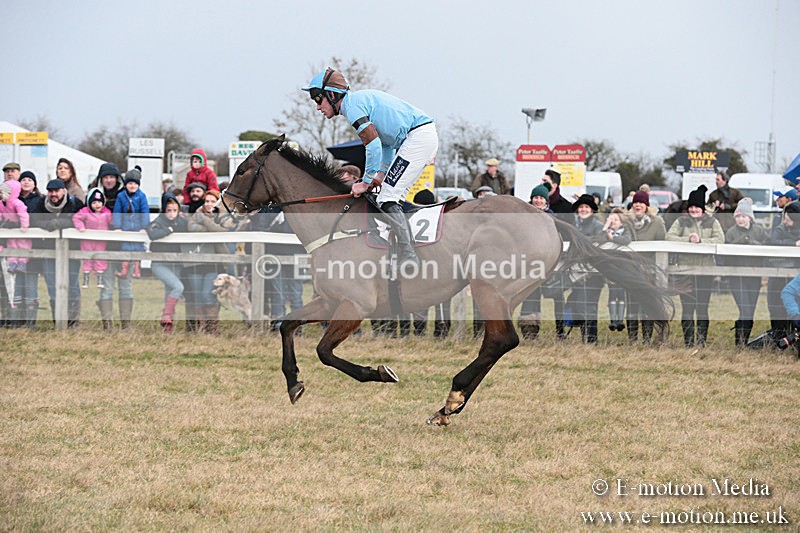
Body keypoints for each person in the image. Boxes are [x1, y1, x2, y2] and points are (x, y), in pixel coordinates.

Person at [303, 67, 437, 270]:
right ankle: (404, 249)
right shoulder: (356, 104)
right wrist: (380, 174)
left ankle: (409, 254)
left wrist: (365, 182)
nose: (317, 107)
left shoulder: (353, 107)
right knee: (390, 195)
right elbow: (386, 145)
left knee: (387, 197)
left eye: (317, 99)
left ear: (331, 95)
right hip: (417, 137)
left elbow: (372, 145)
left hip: (417, 138)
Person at [666, 185, 725, 347]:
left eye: (696, 207)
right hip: (684, 271)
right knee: (687, 308)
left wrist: (701, 241)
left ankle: (701, 342)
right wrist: (687, 240)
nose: (693, 210)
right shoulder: (681, 221)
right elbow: (669, 237)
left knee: (702, 307)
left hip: (705, 272)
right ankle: (688, 342)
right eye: (691, 207)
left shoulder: (712, 222)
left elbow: (720, 240)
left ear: (702, 208)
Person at [29, 178, 84, 327]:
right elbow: (31, 219)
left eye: (56, 191)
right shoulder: (41, 204)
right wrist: (45, 224)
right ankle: (59, 322)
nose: (53, 194)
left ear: (63, 191)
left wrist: (63, 223)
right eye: (50, 191)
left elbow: (83, 218)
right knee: (52, 287)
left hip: (72, 251)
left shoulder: (75, 203)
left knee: (72, 285)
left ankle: (73, 323)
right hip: (49, 251)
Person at [187, 189, 234, 333]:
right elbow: (191, 228)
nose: (208, 204)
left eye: (212, 201)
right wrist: (208, 227)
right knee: (197, 296)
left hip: (215, 263)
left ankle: (212, 328)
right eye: (206, 201)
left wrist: (204, 221)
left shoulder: (223, 216)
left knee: (208, 294)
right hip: (196, 261)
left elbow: (220, 231)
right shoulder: (197, 213)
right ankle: (202, 328)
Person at [724, 198, 766, 346]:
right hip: (737, 276)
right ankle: (739, 344)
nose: (740, 219)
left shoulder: (759, 230)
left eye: (743, 216)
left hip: (754, 277)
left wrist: (753, 243)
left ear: (750, 217)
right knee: (745, 310)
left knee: (750, 312)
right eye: (738, 216)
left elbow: (767, 247)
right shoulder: (731, 232)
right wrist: (739, 242)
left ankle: (744, 343)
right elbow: (726, 254)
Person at [564, 194, 606, 343]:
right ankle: (586, 338)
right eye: (581, 207)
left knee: (588, 306)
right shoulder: (574, 225)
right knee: (578, 304)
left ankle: (591, 339)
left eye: (586, 207)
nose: (583, 209)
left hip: (593, 274)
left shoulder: (598, 226)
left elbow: (599, 242)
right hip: (576, 272)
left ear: (592, 210)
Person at [626, 190, 666, 343]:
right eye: (636, 202)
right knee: (631, 304)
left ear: (647, 205)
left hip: (649, 271)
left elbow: (662, 243)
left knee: (646, 305)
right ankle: (632, 339)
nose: (638, 205)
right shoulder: (627, 221)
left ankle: (647, 339)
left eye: (641, 202)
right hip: (630, 270)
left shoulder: (657, 222)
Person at [147, 193, 189, 333]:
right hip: (159, 262)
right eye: (169, 210)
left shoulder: (183, 222)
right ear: (164, 210)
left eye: (174, 210)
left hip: (176, 262)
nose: (171, 214)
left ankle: (168, 325)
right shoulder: (158, 221)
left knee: (169, 291)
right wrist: (169, 230)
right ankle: (166, 315)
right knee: (178, 287)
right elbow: (152, 234)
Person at [518, 182, 555, 340]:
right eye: (536, 197)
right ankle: (527, 330)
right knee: (527, 295)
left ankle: (535, 329)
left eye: (541, 198)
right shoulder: (524, 216)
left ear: (546, 201)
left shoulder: (551, 216)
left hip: (545, 262)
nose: (538, 200)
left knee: (537, 295)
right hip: (526, 262)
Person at [764, 201, 800, 344]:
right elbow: (774, 241)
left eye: (788, 218)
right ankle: (779, 339)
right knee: (776, 307)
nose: (785, 220)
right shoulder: (781, 228)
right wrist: (794, 244)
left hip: (795, 274)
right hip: (779, 275)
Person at [597, 208, 633, 332]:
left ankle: (620, 320)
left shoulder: (626, 231)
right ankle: (612, 320)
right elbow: (598, 238)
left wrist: (612, 239)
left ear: (621, 222)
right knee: (612, 293)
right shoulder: (606, 232)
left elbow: (626, 240)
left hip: (623, 268)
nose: (613, 222)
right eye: (611, 219)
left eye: (616, 220)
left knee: (621, 294)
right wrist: (606, 226)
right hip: (610, 268)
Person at [16, 171, 42, 328]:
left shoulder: (40, 200)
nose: (26, 182)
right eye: (23, 179)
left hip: (34, 248)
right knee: (17, 284)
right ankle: (17, 320)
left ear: (34, 183)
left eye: (29, 180)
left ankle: (31, 322)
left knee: (31, 284)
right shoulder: (12, 199)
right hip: (15, 248)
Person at [72, 188, 112, 289]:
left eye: (99, 202)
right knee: (87, 257)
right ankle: (86, 277)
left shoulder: (107, 212)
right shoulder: (85, 211)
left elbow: (112, 222)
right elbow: (76, 218)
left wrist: (115, 229)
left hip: (101, 240)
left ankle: (100, 277)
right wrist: (81, 227)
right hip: (87, 239)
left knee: (100, 257)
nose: (97, 205)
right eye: (94, 202)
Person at [113, 169, 149, 281]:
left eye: (135, 183)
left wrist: (144, 227)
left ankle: (137, 270)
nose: (132, 186)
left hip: (138, 229)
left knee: (138, 249)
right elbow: (117, 212)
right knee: (125, 249)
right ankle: (124, 270)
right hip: (125, 229)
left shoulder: (141, 196)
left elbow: (145, 212)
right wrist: (117, 227)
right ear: (126, 184)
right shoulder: (121, 196)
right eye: (130, 183)